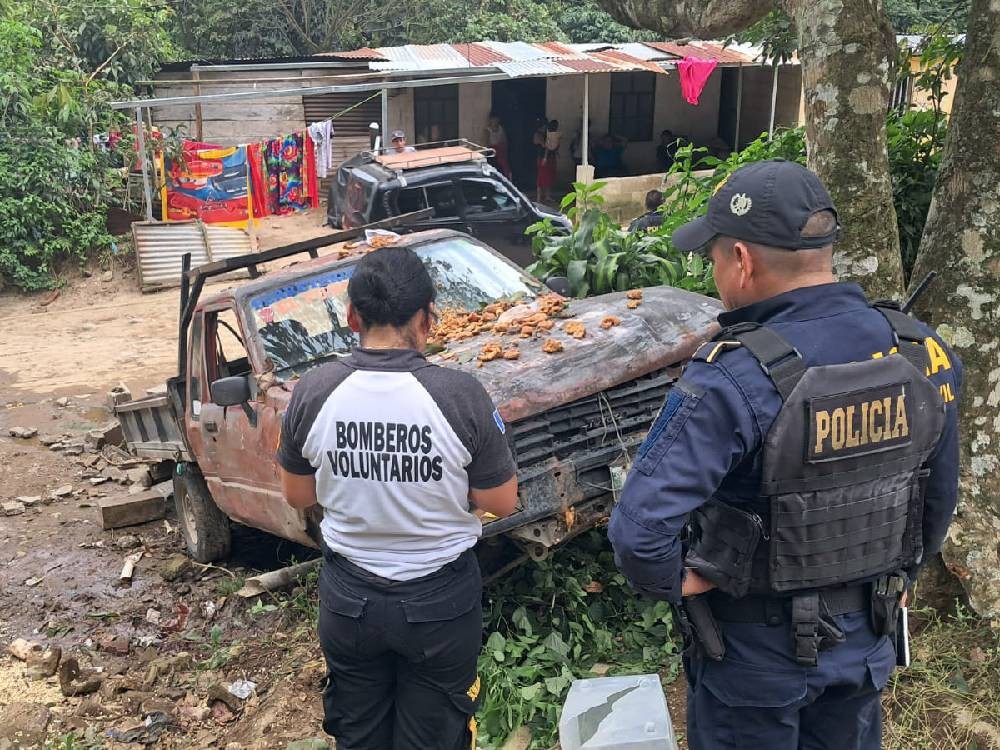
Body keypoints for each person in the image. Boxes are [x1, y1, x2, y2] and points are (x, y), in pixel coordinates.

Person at [608, 159, 962, 750]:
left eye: (714, 257)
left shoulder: (732, 376)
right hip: (864, 643)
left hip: (754, 661)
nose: (714, 272)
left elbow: (639, 534)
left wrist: (682, 580)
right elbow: (937, 502)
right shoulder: (921, 351)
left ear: (742, 260)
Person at [278, 246, 519, 749]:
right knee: (433, 736)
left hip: (349, 604)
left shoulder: (314, 390)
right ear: (428, 318)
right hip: (440, 606)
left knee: (359, 733)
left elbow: (298, 493)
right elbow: (503, 500)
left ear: (351, 317)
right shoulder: (459, 395)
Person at [483, 112, 511, 178]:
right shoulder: (488, 130)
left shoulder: (501, 129)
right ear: (490, 120)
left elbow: (505, 141)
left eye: (497, 119)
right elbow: (486, 144)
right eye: (494, 119)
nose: (495, 121)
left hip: (501, 153)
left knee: (503, 169)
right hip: (492, 153)